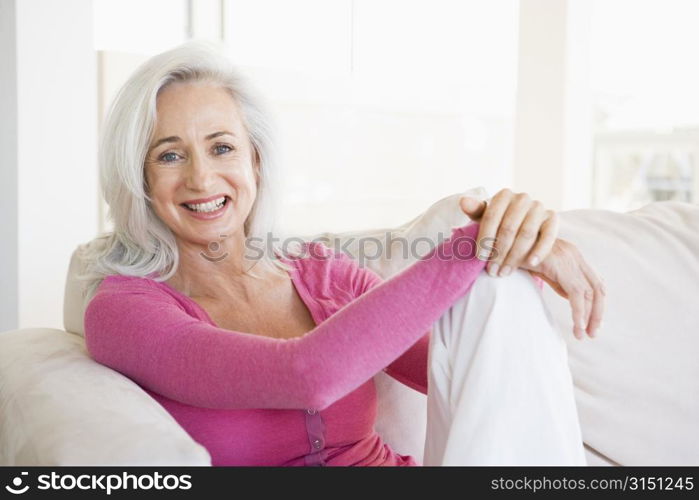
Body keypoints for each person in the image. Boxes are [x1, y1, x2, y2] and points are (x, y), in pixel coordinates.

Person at [80, 40, 605, 466]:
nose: (201, 177)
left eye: (222, 147)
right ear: (138, 179)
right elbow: (308, 376)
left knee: (499, 285)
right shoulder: (124, 311)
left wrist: (517, 241)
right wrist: (475, 242)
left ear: (256, 163)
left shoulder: (318, 271)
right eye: (170, 155)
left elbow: (461, 370)